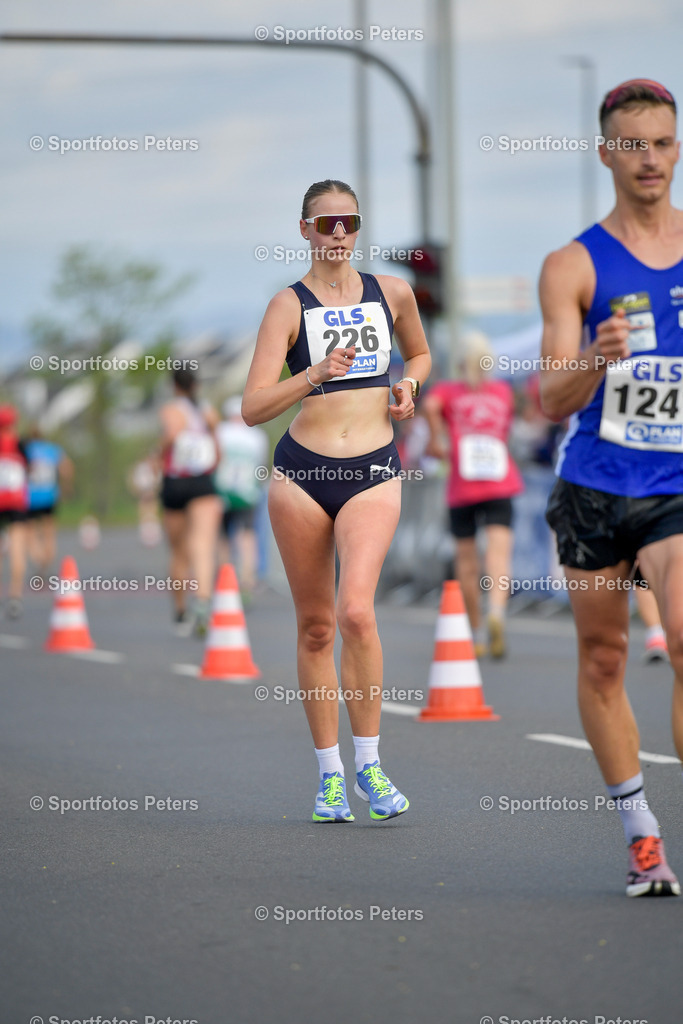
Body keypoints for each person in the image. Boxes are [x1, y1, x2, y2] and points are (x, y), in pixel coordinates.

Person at [242, 179, 430, 822]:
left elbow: (423, 353)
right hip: (301, 474)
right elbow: (251, 408)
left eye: (348, 222)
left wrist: (408, 384)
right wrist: (314, 375)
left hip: (374, 468)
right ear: (305, 231)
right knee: (317, 624)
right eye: (326, 224)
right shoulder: (287, 306)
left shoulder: (392, 293)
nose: (339, 234)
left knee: (356, 612)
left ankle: (371, 765)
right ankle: (329, 777)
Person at [540, 79, 683, 897]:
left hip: (673, 486)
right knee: (604, 659)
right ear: (607, 154)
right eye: (633, 145)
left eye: (662, 142)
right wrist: (595, 355)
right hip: (595, 486)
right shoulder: (573, 264)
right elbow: (549, 398)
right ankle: (640, 835)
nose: (649, 159)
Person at [423, 332, 523, 658]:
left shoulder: (447, 391)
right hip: (500, 481)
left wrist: (437, 440)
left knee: (467, 563)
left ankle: (478, 631)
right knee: (498, 555)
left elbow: (430, 406)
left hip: (463, 485)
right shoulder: (502, 392)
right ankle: (497, 612)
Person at [159, 368, 222, 637]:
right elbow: (218, 450)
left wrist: (157, 457)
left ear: (175, 386)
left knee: (178, 550)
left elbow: (172, 436)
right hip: (202, 481)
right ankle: (203, 601)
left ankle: (181, 609)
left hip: (175, 481)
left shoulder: (172, 410)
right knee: (203, 545)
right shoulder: (208, 412)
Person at [214, 396, 268, 599]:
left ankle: (225, 580)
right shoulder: (257, 436)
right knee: (248, 536)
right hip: (248, 492)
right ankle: (247, 580)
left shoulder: (220, 432)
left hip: (222, 490)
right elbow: (260, 464)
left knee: (223, 537)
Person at [23, 425, 74, 578]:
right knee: (49, 531)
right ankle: (47, 559)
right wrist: (66, 485)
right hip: (49, 495)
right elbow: (67, 468)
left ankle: (39, 559)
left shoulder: (26, 450)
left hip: (30, 497)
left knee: (30, 531)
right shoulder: (52, 449)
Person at [0, 405, 29, 618]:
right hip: (17, 502)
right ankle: (15, 597)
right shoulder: (20, 444)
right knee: (18, 549)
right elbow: (29, 468)